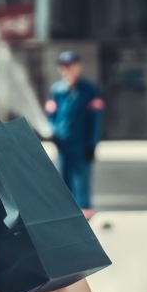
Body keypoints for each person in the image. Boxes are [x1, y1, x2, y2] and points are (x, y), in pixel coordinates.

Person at [45, 50, 104, 212]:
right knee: (64, 181)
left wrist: (92, 144)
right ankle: (67, 213)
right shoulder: (56, 90)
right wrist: (53, 133)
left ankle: (85, 214)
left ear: (79, 67)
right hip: (63, 144)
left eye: (71, 66)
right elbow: (51, 115)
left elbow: (95, 119)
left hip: (82, 144)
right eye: (64, 67)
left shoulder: (90, 90)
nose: (67, 70)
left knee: (82, 180)